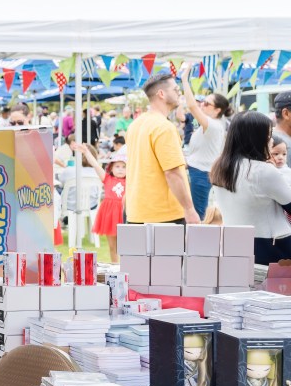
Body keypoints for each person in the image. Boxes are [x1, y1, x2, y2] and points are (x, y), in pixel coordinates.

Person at [210, 111, 291, 265]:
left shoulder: (218, 167)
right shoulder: (263, 171)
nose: (272, 141)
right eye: (268, 136)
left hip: (233, 243)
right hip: (273, 247)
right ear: (257, 139)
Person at [124, 72, 199, 225]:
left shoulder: (135, 125)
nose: (179, 93)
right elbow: (172, 173)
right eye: (176, 89)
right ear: (161, 94)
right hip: (165, 216)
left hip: (137, 213)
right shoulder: (164, 127)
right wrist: (189, 209)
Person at [183, 77, 233, 219]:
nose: (202, 105)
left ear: (217, 110)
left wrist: (185, 81)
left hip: (200, 174)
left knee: (198, 214)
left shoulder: (213, 125)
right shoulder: (212, 124)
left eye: (206, 103)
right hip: (198, 172)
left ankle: (197, 241)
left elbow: (192, 106)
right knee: (196, 213)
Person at [76, 144, 126, 264]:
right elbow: (96, 165)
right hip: (110, 215)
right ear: (111, 168)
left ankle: (125, 267)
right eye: (117, 166)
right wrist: (87, 152)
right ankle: (115, 265)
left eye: (124, 167)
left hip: (124, 213)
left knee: (125, 245)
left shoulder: (131, 181)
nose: (120, 169)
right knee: (112, 245)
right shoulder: (107, 178)